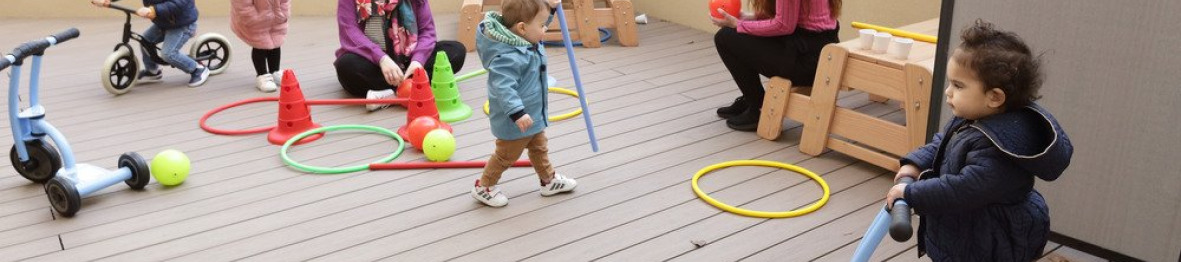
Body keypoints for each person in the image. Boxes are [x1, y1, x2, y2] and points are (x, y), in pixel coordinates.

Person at [885, 19, 1073, 261]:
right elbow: (943, 142)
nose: (948, 91)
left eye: (958, 85)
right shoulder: (972, 117)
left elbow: (964, 188)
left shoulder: (1001, 150)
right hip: (963, 229)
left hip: (989, 242)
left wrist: (912, 194)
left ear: (994, 97)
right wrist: (915, 163)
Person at [470, 0, 576, 207]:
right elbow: (503, 88)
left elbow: (535, 23)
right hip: (516, 119)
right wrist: (517, 113)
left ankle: (548, 180)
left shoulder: (525, 39)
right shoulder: (507, 56)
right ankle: (483, 186)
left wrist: (551, 9)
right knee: (505, 156)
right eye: (543, 26)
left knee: (539, 148)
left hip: (533, 113)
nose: (545, 29)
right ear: (522, 28)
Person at [710, 0, 841, 131]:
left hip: (808, 62)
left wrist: (738, 24)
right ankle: (751, 98)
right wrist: (748, 18)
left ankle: (757, 106)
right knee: (739, 34)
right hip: (821, 52)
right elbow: (791, 17)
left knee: (725, 37)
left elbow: (783, 25)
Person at [334, 0, 466, 111]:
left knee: (455, 51)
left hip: (410, 61)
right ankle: (414, 90)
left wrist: (418, 61)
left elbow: (427, 31)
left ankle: (390, 96)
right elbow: (349, 32)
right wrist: (381, 58)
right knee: (346, 66)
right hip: (376, 65)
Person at [91, 0, 210, 87]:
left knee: (168, 54)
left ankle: (197, 69)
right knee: (145, 41)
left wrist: (153, 10)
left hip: (182, 25)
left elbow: (179, 2)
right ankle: (152, 71)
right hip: (163, 22)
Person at [230, 0, 291, 93]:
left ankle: (274, 71)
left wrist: (283, 13)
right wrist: (253, 18)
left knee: (276, 41)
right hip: (256, 20)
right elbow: (242, 4)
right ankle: (262, 74)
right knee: (260, 44)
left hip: (276, 16)